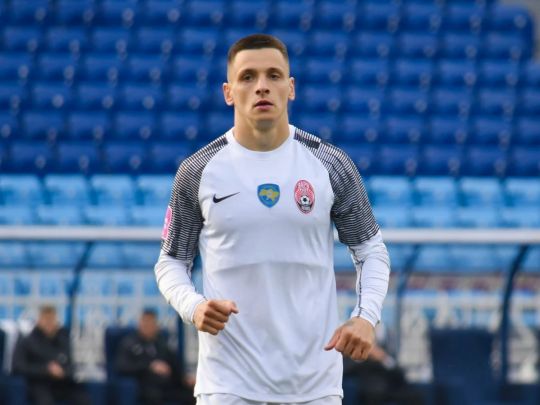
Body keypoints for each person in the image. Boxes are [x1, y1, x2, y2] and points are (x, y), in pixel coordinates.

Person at [155, 33, 390, 405]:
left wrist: (366, 316)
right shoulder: (198, 171)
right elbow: (170, 261)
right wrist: (193, 306)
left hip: (314, 386)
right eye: (248, 77)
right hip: (227, 386)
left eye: (273, 75)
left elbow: (371, 250)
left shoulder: (330, 165)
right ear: (228, 92)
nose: (261, 86)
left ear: (290, 88)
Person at [11, 305, 90, 405]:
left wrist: (63, 371)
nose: (49, 323)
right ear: (39, 320)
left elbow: (73, 363)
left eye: (52, 319)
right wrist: (46, 369)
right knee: (44, 399)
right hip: (39, 383)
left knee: (82, 396)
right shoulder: (28, 341)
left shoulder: (64, 338)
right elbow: (18, 367)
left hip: (63, 382)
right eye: (46, 319)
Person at [115, 308, 195, 405]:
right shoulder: (129, 344)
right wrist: (150, 366)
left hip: (167, 386)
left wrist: (184, 378)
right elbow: (122, 366)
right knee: (154, 394)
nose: (148, 327)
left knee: (192, 393)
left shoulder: (161, 343)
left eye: (151, 323)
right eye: (145, 323)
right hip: (145, 385)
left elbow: (174, 364)